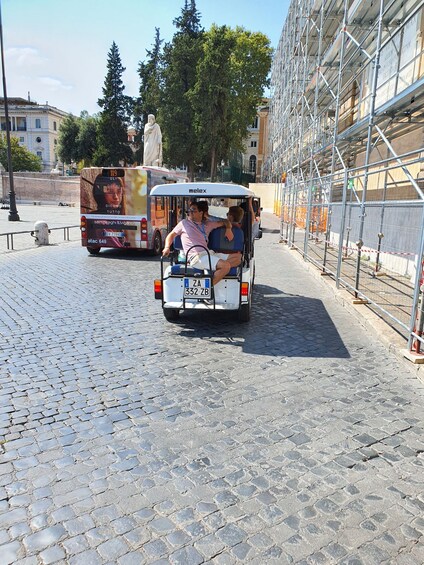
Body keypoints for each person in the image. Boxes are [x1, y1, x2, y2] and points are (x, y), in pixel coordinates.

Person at [162, 202, 242, 287]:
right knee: (226, 266)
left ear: (201, 213)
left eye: (193, 210)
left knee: (238, 258)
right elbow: (171, 235)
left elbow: (226, 221)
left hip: (208, 254)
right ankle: (207, 288)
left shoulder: (207, 224)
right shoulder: (184, 223)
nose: (190, 212)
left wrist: (228, 229)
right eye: (189, 210)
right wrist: (167, 247)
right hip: (196, 257)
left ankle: (217, 269)